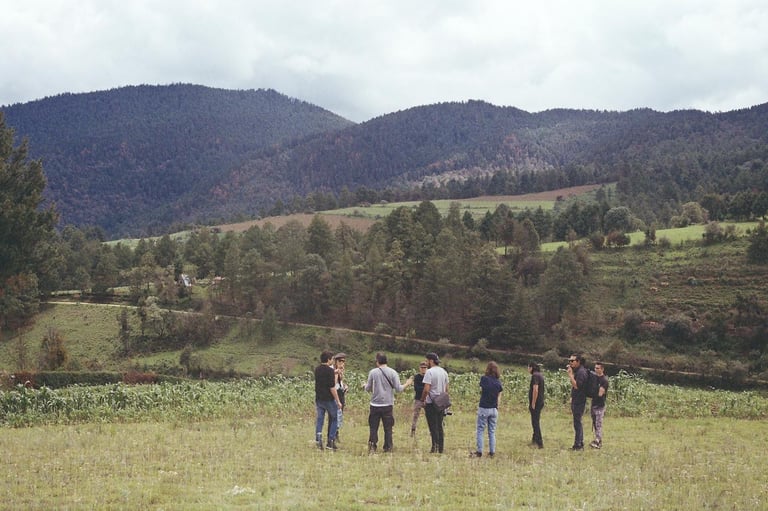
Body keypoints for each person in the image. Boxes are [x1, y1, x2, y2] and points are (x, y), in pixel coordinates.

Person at [364, 352, 413, 452]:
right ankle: (388, 447)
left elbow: (368, 388)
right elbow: (398, 389)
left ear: (377, 361)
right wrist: (407, 383)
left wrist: (364, 385)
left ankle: (372, 446)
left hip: (375, 404)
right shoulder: (393, 372)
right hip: (388, 405)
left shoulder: (373, 372)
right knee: (388, 428)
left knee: (373, 427)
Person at [472, 361, 502, 458]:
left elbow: (481, 389)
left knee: (480, 430)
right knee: (492, 431)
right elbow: (499, 395)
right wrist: (497, 406)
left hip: (484, 407)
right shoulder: (498, 382)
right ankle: (492, 452)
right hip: (494, 409)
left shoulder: (484, 379)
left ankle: (479, 451)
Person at [421, 352, 449, 454]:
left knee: (433, 426)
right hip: (441, 402)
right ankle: (441, 447)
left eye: (427, 360)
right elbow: (446, 389)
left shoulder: (429, 372)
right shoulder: (444, 372)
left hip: (431, 402)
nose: (426, 363)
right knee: (439, 425)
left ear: (431, 361)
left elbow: (426, 389)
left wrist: (422, 399)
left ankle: (435, 447)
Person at [314, 350, 342, 450]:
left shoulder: (317, 369)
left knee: (320, 419)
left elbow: (324, 374)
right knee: (334, 418)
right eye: (332, 359)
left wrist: (335, 372)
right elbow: (332, 388)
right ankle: (331, 441)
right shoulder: (330, 371)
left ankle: (318, 439)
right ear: (328, 359)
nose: (333, 361)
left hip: (319, 398)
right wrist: (338, 401)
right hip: (329, 399)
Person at [566, 353, 589, 450]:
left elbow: (577, 386)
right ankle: (580, 443)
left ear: (578, 362)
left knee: (577, 423)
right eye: (569, 361)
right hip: (576, 399)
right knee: (577, 422)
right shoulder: (579, 371)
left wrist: (570, 375)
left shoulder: (581, 372)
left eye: (572, 361)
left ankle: (578, 445)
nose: (570, 362)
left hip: (579, 401)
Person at [590, 361, 609, 449]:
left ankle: (598, 441)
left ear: (602, 369)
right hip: (593, 403)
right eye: (595, 368)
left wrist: (592, 392)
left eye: (598, 368)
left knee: (598, 424)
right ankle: (598, 439)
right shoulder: (594, 378)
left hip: (600, 405)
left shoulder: (604, 380)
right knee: (595, 423)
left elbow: (600, 393)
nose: (596, 369)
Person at [528, 361, 545, 449]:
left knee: (535, 422)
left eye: (528, 367)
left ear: (531, 367)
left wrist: (533, 403)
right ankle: (534, 439)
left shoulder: (535, 376)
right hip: (540, 401)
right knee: (535, 420)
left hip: (536, 402)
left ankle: (539, 442)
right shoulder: (540, 375)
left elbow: (535, 389)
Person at [333, 353, 349, 442]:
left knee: (339, 414)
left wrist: (345, 386)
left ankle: (336, 433)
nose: (342, 363)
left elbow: (340, 383)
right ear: (336, 361)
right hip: (337, 395)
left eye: (343, 361)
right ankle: (334, 435)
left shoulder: (341, 371)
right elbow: (334, 384)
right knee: (336, 415)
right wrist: (337, 372)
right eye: (340, 361)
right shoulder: (334, 371)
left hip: (341, 393)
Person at [411, 362, 428, 437]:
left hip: (427, 399)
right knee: (415, 416)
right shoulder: (417, 377)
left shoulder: (429, 376)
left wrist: (424, 389)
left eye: (425, 368)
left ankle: (432, 431)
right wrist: (425, 389)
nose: (423, 369)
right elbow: (416, 388)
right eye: (422, 368)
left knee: (430, 416)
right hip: (418, 399)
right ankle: (413, 430)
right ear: (419, 368)